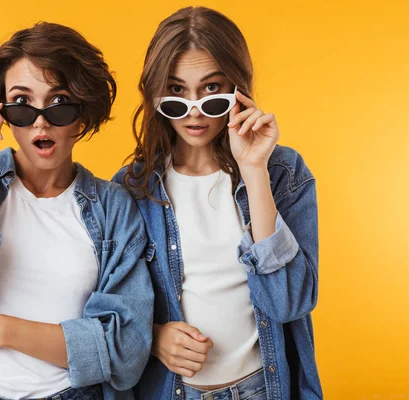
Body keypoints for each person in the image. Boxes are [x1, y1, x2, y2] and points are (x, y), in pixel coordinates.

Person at [0, 22, 153, 400]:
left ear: (83, 112)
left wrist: (0, 330)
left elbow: (126, 352)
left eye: (59, 103)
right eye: (22, 104)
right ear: (2, 113)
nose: (41, 120)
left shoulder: (113, 209)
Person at [113, 7, 322, 400]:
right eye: (176, 91)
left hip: (263, 388)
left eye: (211, 90)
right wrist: (154, 337)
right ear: (155, 92)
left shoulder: (283, 173)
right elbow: (111, 308)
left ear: (237, 88)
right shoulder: (130, 191)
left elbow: (290, 302)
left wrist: (254, 169)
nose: (193, 110)